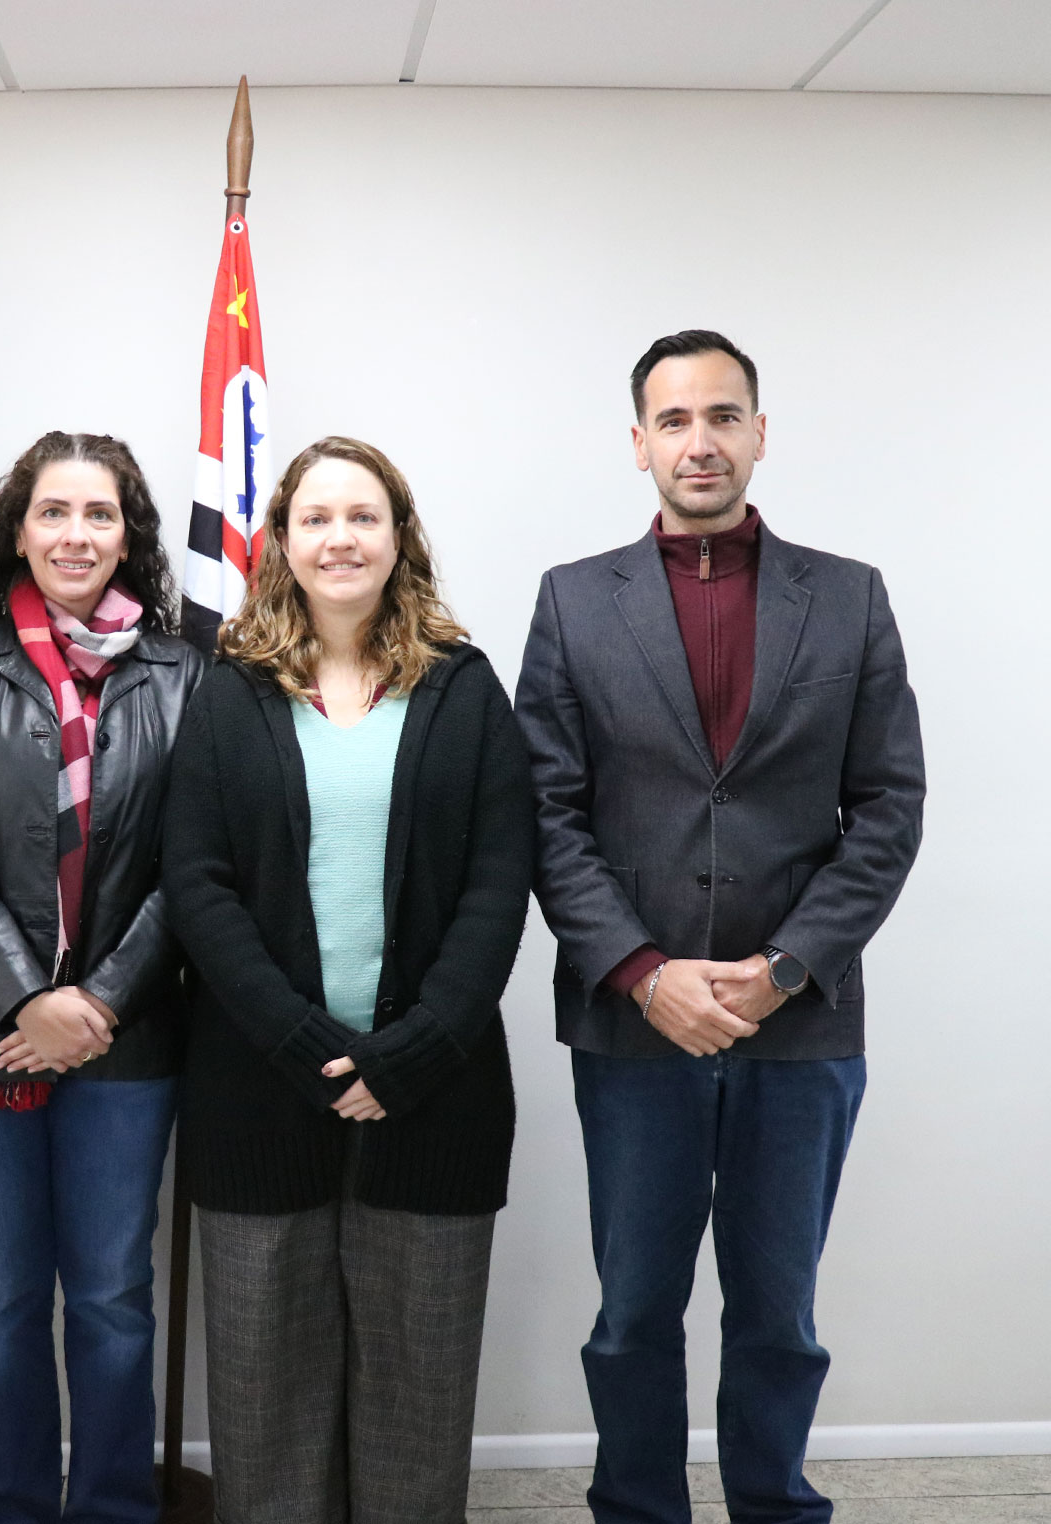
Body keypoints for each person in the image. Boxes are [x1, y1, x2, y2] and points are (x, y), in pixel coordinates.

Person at [516, 330, 926, 1524]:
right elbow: (547, 815)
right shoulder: (573, 601)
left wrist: (785, 968)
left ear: (759, 432)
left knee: (779, 1315)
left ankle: (774, 1506)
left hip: (800, 1030)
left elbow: (888, 807)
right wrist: (643, 975)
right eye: (676, 420)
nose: (701, 440)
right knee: (633, 1311)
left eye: (724, 415)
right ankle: (637, 1510)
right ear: (638, 443)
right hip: (634, 1027)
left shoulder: (847, 597)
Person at [162, 436, 534, 1524]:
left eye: (362, 517)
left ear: (399, 536)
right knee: (264, 1404)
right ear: (279, 541)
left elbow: (498, 885)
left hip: (435, 1098)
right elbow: (198, 882)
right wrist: (302, 1047)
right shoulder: (230, 692)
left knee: (416, 1406)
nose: (340, 538)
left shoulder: (464, 688)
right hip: (256, 1093)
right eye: (316, 518)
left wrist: (408, 1054)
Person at [0, 431, 204, 1524]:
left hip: (132, 1041)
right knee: (6, 1299)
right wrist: (28, 998)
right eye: (54, 512)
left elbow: (195, 865)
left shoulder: (187, 673)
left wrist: (101, 1000)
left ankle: (115, 1507)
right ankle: (16, 1507)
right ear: (19, 530)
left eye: (101, 514)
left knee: (115, 1297)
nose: (77, 534)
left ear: (131, 535)